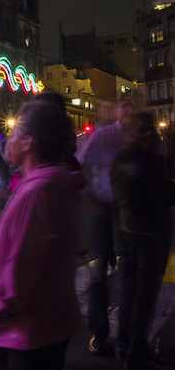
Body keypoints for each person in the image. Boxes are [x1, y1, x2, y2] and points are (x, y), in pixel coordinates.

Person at [0, 100, 82, 370]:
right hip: (51, 322)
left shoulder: (36, 194)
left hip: (28, 331)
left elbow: (21, 269)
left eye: (14, 134)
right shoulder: (57, 183)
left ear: (28, 142)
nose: (9, 140)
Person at [110, 113, 175, 369]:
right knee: (144, 296)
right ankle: (136, 351)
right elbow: (161, 193)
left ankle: (126, 345)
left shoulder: (122, 160)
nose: (152, 135)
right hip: (149, 235)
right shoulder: (148, 160)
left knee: (129, 293)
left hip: (128, 233)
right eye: (146, 130)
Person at [77, 100, 132, 354]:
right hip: (107, 210)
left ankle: (115, 335)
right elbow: (83, 163)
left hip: (119, 212)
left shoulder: (134, 136)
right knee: (102, 273)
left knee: (116, 274)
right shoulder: (106, 135)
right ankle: (103, 334)